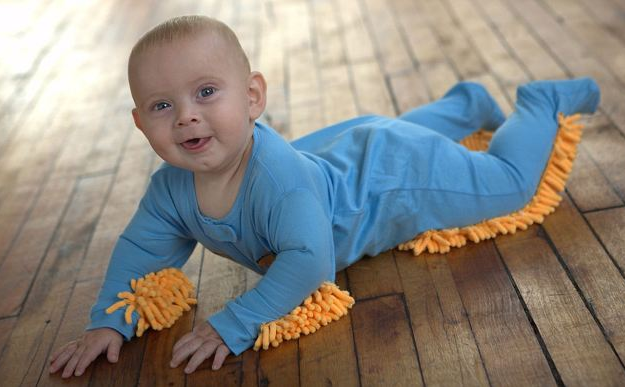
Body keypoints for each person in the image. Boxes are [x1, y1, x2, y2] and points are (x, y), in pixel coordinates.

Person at [48, 15, 600, 378]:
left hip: (390, 179)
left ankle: (539, 103)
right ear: (141, 123)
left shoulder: (278, 183)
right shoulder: (171, 188)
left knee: (507, 183)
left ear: (253, 96)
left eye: (206, 92)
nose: (187, 114)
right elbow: (141, 250)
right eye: (162, 106)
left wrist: (235, 320)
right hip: (349, 149)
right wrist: (107, 320)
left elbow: (311, 261)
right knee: (384, 130)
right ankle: (465, 105)